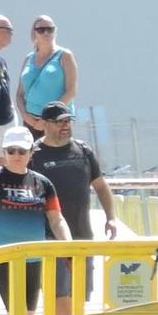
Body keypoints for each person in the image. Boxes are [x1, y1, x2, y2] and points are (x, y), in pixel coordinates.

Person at [0, 126, 73, 315]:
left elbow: (57, 219)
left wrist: (69, 248)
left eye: (22, 151)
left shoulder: (43, 183)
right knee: (18, 313)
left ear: (31, 153)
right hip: (0, 256)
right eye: (11, 150)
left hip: (33, 258)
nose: (16, 155)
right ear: (4, 152)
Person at [30, 102, 117, 243]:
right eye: (59, 122)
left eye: (68, 121)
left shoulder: (84, 151)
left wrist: (111, 218)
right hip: (47, 240)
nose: (65, 125)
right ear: (45, 124)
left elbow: (100, 186)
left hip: (82, 237)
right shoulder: (32, 154)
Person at [16, 16, 76, 132]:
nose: (46, 33)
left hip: (57, 120)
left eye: (50, 29)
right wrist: (25, 116)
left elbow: (71, 91)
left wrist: (48, 117)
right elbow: (19, 94)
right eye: (41, 30)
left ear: (55, 31)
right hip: (31, 121)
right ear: (34, 34)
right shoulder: (28, 58)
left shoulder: (65, 55)